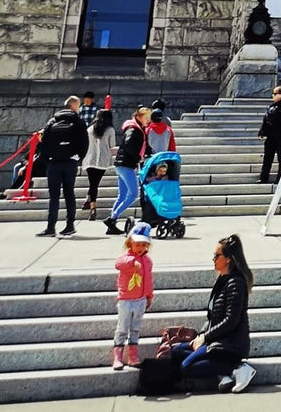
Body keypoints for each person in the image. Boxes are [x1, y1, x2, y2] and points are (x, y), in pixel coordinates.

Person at [170, 235, 256, 393]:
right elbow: (211, 316)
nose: (213, 259)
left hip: (229, 345)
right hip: (215, 340)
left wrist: (205, 337)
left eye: (217, 256)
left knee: (186, 367)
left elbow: (231, 321)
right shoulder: (222, 279)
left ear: (228, 259)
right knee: (176, 351)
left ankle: (237, 368)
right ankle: (223, 373)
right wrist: (200, 335)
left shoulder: (236, 283)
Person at [35, 95, 90, 237]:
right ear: (75, 106)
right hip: (70, 163)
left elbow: (43, 142)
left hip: (54, 162)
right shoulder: (79, 121)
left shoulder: (52, 121)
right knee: (69, 193)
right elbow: (85, 142)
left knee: (54, 196)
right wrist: (78, 158)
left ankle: (50, 227)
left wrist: (48, 159)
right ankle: (70, 225)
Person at [112, 222, 154, 369]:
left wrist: (149, 295)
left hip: (141, 299)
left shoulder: (147, 261)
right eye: (137, 244)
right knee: (122, 328)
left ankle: (133, 356)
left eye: (144, 245)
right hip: (126, 300)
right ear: (130, 243)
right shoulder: (126, 257)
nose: (140, 248)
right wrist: (132, 262)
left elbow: (148, 280)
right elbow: (118, 263)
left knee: (135, 328)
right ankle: (117, 356)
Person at [104, 105, 150, 235]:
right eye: (146, 117)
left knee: (122, 195)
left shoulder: (137, 129)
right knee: (133, 194)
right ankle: (112, 218)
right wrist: (138, 158)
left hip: (122, 165)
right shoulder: (134, 129)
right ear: (139, 117)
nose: (148, 120)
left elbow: (141, 146)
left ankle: (111, 225)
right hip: (126, 165)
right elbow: (129, 145)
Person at [84, 106, 118, 220]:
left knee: (92, 183)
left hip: (90, 159)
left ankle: (88, 200)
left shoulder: (90, 129)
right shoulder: (110, 130)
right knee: (95, 183)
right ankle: (93, 208)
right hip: (103, 160)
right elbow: (112, 145)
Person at [258, 86, 281, 184]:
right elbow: (266, 120)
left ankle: (280, 179)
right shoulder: (272, 107)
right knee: (267, 157)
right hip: (271, 136)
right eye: (273, 94)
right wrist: (262, 131)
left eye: (275, 94)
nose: (273, 96)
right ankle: (263, 177)